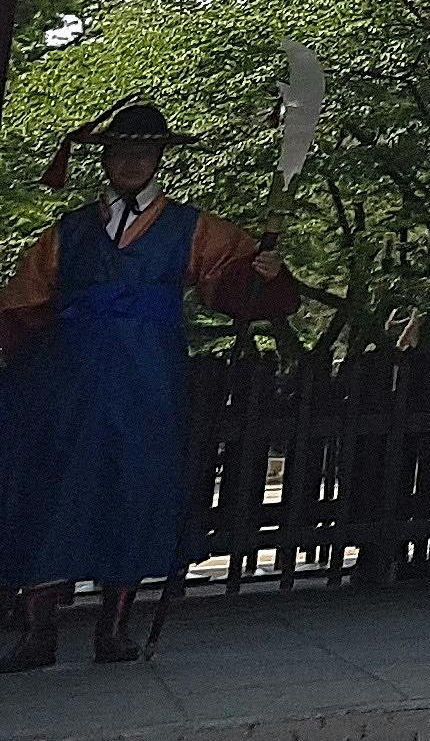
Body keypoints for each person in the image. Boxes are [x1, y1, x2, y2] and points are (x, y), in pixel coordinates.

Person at [0, 96, 301, 668]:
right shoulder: (67, 233)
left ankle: (113, 629)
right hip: (66, 379)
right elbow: (24, 301)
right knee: (51, 484)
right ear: (105, 157)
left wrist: (263, 273)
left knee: (133, 483)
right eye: (122, 150)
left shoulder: (192, 228)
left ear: (159, 158)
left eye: (144, 151)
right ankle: (38, 631)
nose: (132, 161)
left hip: (147, 375)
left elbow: (239, 287)